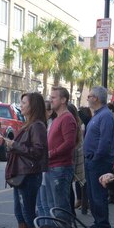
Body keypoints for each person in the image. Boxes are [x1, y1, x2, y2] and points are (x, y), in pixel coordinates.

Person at [4, 92, 48, 228]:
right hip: (21, 175)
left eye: (24, 103)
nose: (21, 106)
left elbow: (37, 152)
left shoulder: (37, 126)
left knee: (29, 214)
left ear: (32, 106)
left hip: (28, 175)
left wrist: (13, 145)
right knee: (20, 213)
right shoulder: (29, 125)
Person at [37, 86, 77, 220]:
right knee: (51, 207)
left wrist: (51, 153)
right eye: (50, 97)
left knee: (59, 208)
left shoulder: (67, 118)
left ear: (63, 100)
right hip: (51, 167)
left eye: (54, 97)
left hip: (60, 168)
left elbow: (69, 143)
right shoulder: (57, 118)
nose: (50, 100)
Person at [83, 86, 114, 228]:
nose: (87, 98)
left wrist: (96, 157)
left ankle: (104, 227)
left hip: (99, 161)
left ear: (96, 98)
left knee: (98, 194)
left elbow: (105, 140)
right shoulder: (98, 115)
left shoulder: (105, 116)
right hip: (92, 160)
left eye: (89, 96)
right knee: (92, 194)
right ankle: (98, 223)